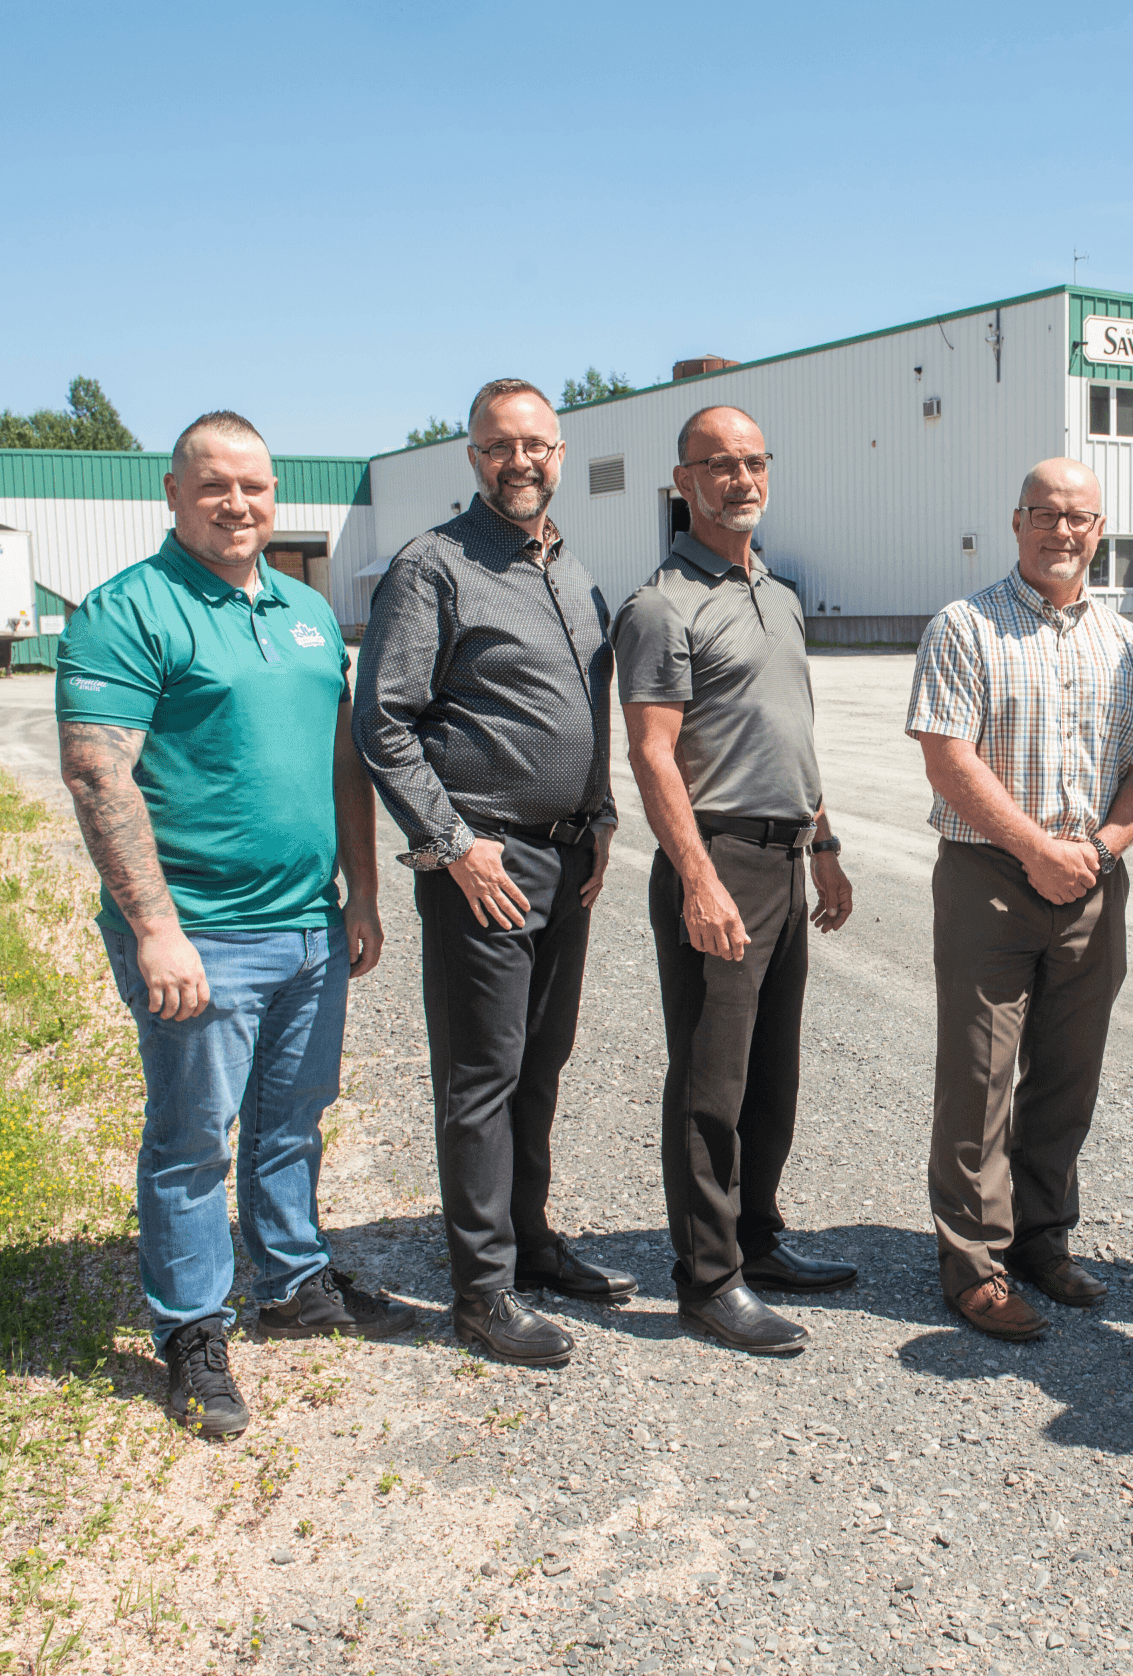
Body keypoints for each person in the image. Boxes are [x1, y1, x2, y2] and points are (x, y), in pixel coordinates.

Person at [57, 411, 415, 1440]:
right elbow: (97, 770)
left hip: (308, 926)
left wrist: (363, 892)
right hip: (200, 933)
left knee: (293, 1117)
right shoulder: (128, 611)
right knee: (190, 1141)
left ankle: (294, 1280)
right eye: (213, 485)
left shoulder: (306, 611)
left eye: (253, 485)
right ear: (172, 494)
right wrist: (156, 929)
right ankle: (192, 1326)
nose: (237, 502)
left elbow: (343, 761)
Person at [354, 377, 633, 1371]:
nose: (522, 461)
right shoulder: (434, 565)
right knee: (481, 1073)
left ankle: (530, 1240)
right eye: (499, 446)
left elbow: (586, 716)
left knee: (539, 1063)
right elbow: (383, 722)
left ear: (560, 454)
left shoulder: (572, 571)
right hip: (487, 860)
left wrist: (600, 817)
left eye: (538, 446)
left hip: (567, 856)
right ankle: (481, 1290)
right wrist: (451, 845)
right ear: (473, 458)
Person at [905, 458, 1133, 1341]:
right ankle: (973, 1263)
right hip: (990, 880)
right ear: (1017, 521)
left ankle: (1041, 1238)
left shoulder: (1127, 643)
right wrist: (1037, 850)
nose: (1064, 531)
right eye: (1046, 515)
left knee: (1069, 1073)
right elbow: (948, 756)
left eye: (1080, 518)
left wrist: (1095, 852)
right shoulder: (964, 625)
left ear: (1100, 531)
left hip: (1093, 882)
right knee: (980, 1078)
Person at [614, 405, 857, 1356]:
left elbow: (791, 733)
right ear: (684, 482)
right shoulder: (661, 606)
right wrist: (699, 882)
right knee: (710, 1082)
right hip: (716, 862)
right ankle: (707, 1279)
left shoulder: (781, 595)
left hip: (787, 856)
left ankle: (757, 1239)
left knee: (772, 1074)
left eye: (754, 462)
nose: (740, 479)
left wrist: (825, 844)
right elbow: (651, 753)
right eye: (718, 465)